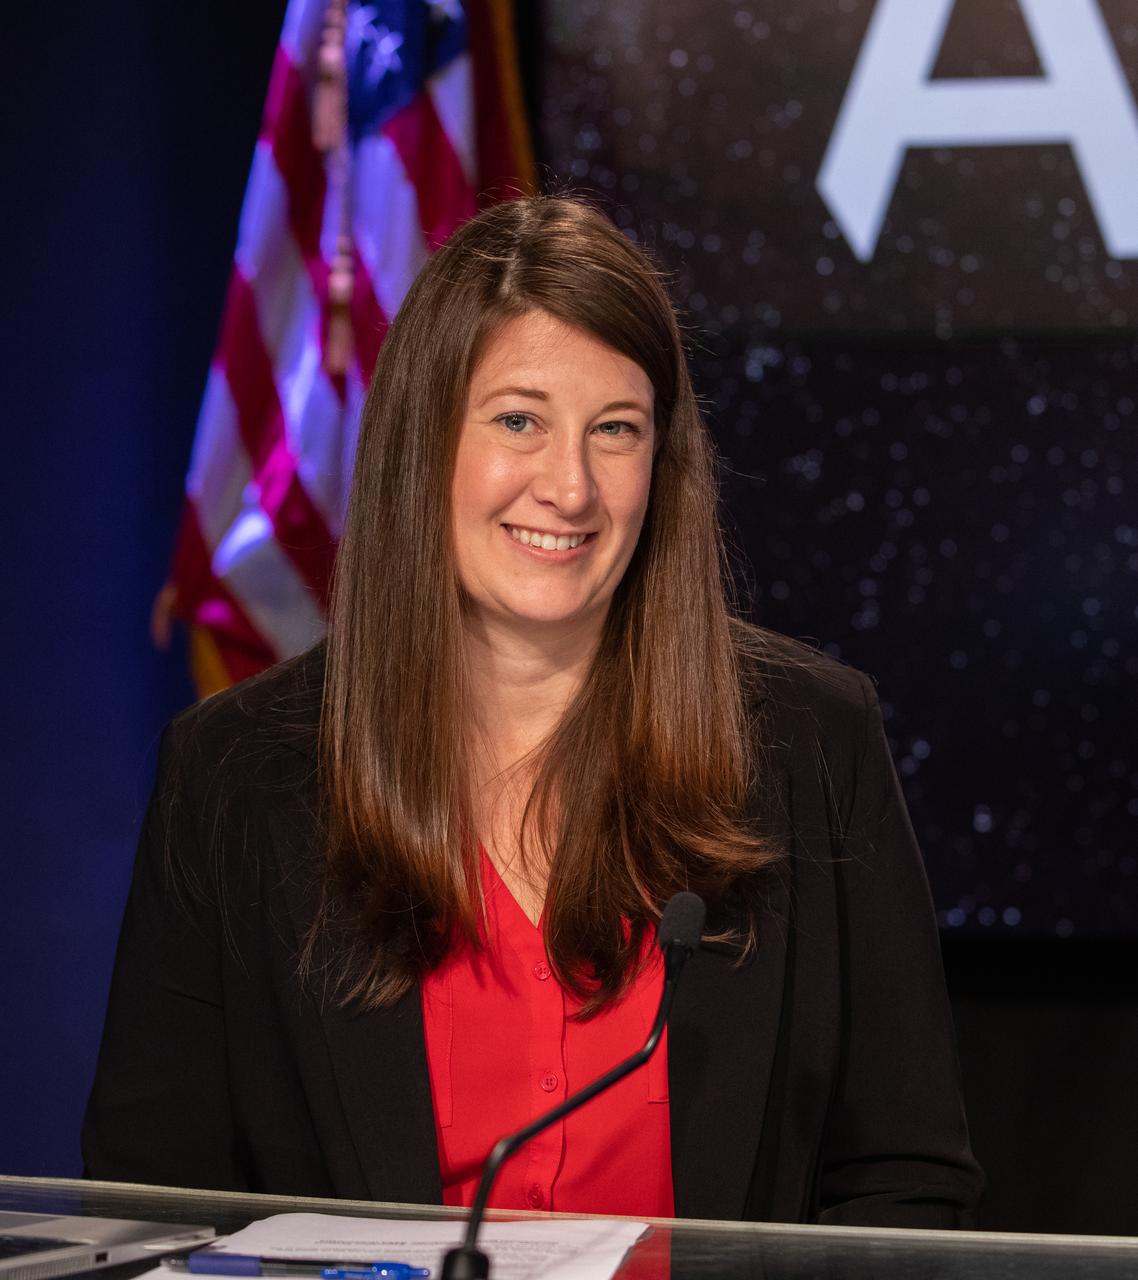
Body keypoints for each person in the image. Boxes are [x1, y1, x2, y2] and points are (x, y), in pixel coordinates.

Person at [83, 196, 982, 1226]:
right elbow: (151, 1202)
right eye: (519, 420)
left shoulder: (812, 742)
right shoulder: (233, 774)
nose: (571, 486)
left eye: (616, 430)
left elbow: (907, 1181)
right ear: (423, 443)